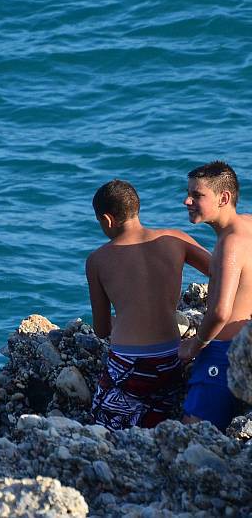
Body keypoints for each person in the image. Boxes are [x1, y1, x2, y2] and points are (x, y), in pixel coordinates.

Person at [86, 179, 210, 430]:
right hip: (169, 359)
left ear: (107, 220)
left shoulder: (97, 260)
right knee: (158, 417)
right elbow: (221, 272)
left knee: (104, 424)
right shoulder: (176, 239)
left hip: (129, 363)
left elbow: (101, 329)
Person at [179, 161, 251, 431]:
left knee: (193, 434)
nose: (187, 200)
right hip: (246, 344)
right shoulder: (249, 225)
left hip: (223, 354)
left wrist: (193, 346)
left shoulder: (230, 243)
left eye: (197, 195)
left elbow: (221, 311)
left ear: (224, 198)